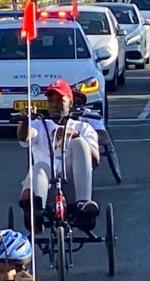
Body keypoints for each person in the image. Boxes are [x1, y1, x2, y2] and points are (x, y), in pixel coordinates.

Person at [17, 79, 100, 218]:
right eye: (51, 101)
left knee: (79, 143)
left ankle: (83, 203)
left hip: (72, 178)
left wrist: (74, 135)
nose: (55, 105)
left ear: (70, 103)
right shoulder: (39, 124)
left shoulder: (83, 127)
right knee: (40, 166)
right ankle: (37, 211)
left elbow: (95, 160)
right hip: (45, 180)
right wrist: (26, 120)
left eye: (60, 100)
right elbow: (24, 137)